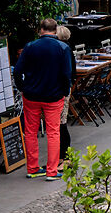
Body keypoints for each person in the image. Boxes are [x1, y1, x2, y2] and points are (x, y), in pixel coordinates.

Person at [16, 19, 76, 178]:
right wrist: (64, 91)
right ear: (55, 30)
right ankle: (52, 170)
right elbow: (67, 74)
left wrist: (22, 87)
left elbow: (17, 71)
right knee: (53, 132)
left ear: (40, 30)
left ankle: (33, 168)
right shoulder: (63, 48)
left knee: (30, 132)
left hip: (31, 95)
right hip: (53, 96)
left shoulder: (30, 47)